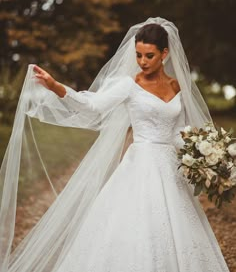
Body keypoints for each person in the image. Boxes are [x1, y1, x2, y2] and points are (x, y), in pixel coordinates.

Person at [0, 17, 230, 272]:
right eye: (139, 55)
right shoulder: (129, 85)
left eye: (149, 56)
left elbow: (177, 133)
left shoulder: (176, 86)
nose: (142, 62)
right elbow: (92, 106)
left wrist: (206, 157)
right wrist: (56, 87)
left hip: (169, 168)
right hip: (140, 164)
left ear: (165, 54)